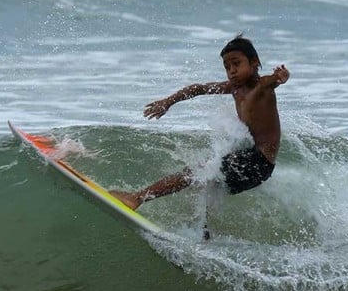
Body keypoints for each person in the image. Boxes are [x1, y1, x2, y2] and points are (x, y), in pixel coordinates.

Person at [110, 34, 290, 211]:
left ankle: (136, 199)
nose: (232, 71)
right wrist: (168, 102)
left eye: (236, 63)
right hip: (254, 162)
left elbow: (275, 80)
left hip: (259, 163)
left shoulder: (262, 87)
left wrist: (281, 75)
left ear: (254, 62)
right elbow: (200, 88)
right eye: (227, 67)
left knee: (196, 172)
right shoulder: (235, 89)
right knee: (203, 186)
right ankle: (202, 234)